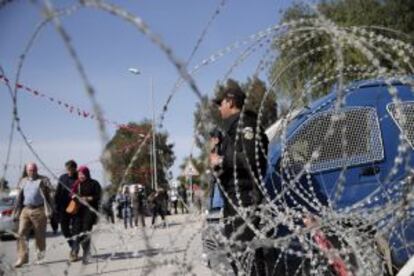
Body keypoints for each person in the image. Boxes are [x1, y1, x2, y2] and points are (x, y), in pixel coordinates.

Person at [210, 86, 269, 275]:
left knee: (247, 254)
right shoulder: (232, 129)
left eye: (222, 103)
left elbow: (251, 158)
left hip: (245, 197)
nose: (219, 108)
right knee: (238, 253)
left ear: (231, 102)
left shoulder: (246, 126)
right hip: (233, 198)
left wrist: (221, 160)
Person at [13, 162, 54, 268]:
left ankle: (40, 257)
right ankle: (22, 258)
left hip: (39, 210)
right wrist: (16, 212)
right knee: (21, 233)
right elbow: (19, 197)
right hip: (25, 210)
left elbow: (52, 192)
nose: (32, 172)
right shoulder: (23, 181)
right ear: (27, 171)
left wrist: (49, 186)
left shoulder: (43, 180)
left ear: (37, 170)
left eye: (34, 170)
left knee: (39, 235)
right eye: (30, 170)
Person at [71, 166, 102, 264]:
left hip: (90, 211)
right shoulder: (77, 184)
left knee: (86, 232)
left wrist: (88, 198)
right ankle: (76, 251)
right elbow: (72, 194)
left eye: (82, 174)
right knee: (76, 231)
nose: (81, 176)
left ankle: (86, 254)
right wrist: (75, 197)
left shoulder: (94, 183)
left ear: (87, 174)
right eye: (79, 174)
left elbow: (99, 195)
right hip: (79, 211)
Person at [54, 160, 78, 261]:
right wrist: (56, 207)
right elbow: (58, 192)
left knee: (75, 230)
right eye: (67, 169)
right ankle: (73, 245)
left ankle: (74, 252)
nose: (68, 172)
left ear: (74, 168)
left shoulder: (79, 178)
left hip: (76, 208)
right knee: (64, 229)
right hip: (64, 208)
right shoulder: (62, 178)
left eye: (70, 170)